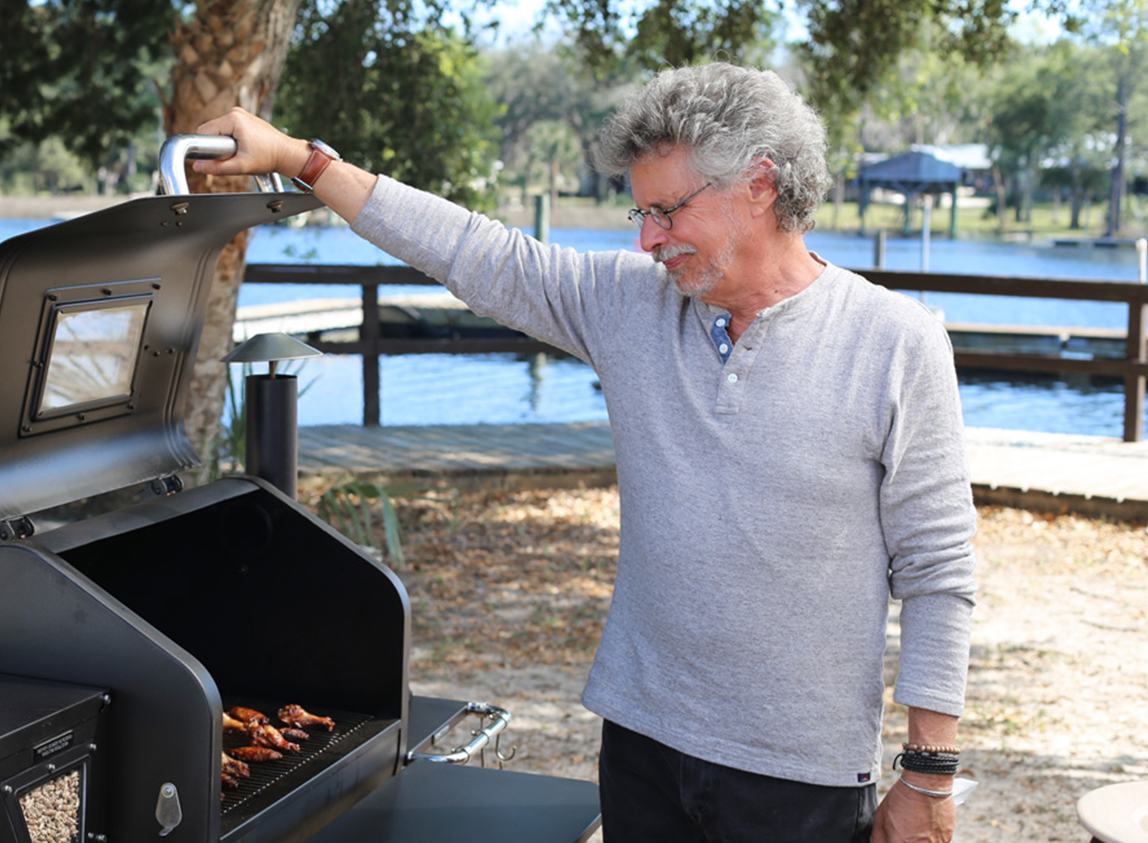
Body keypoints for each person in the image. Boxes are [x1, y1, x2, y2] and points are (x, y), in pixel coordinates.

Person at [194, 62, 978, 843]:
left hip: (799, 773)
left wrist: (928, 775)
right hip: (641, 744)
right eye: (641, 212)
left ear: (760, 184)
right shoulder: (629, 303)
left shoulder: (895, 342)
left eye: (666, 209)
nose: (647, 239)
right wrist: (303, 159)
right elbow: (473, 250)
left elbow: (940, 570)